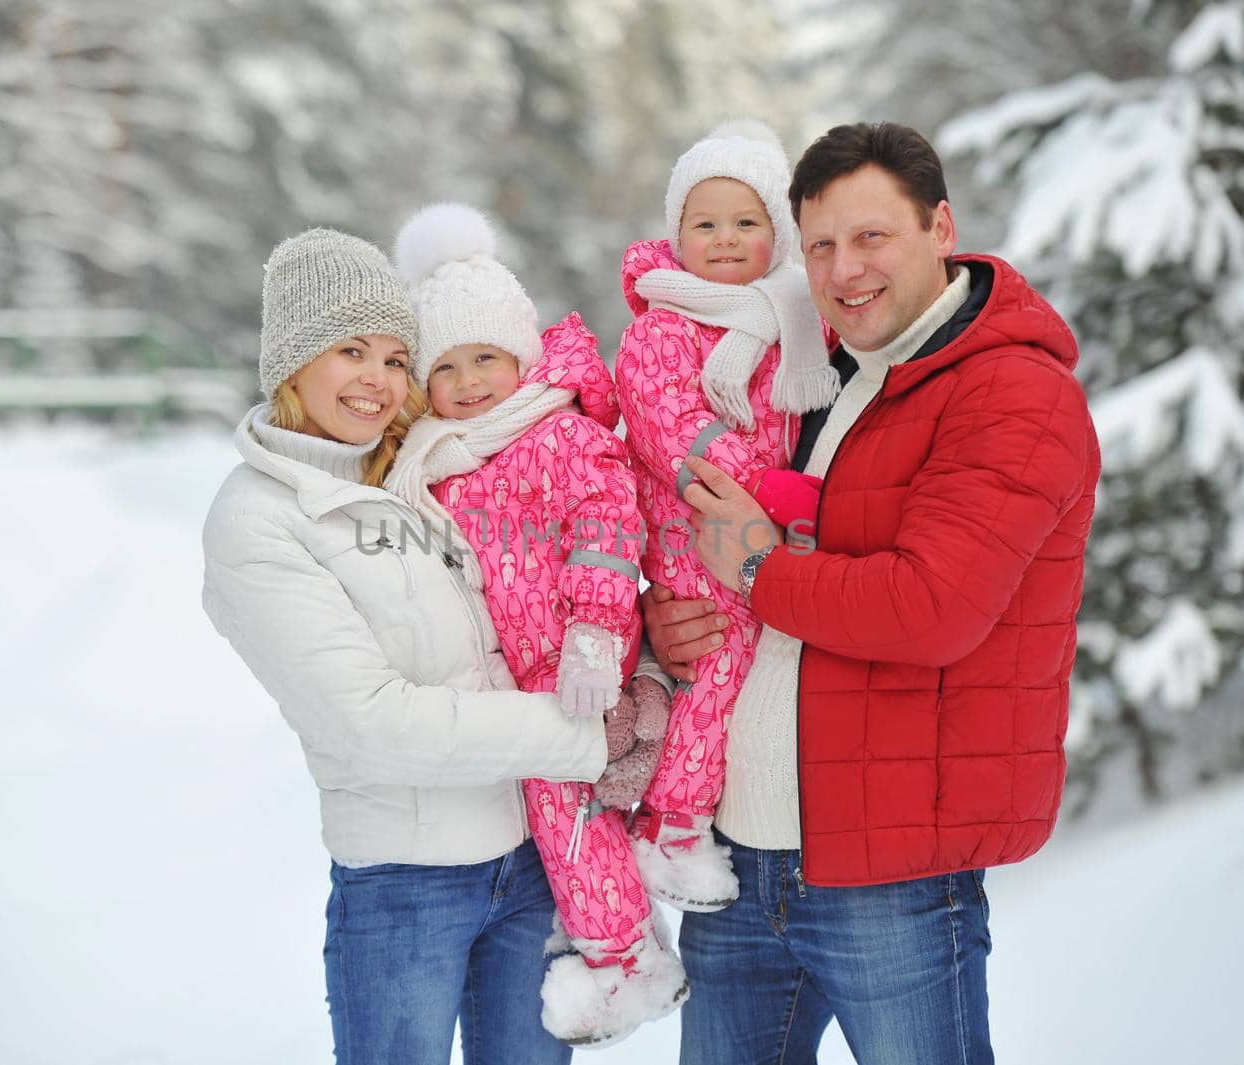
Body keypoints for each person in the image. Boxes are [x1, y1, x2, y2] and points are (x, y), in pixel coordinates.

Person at [648, 122, 1101, 1064]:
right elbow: (733, 532)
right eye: (818, 245)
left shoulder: (1013, 393)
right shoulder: (823, 375)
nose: (843, 270)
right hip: (740, 858)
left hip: (888, 881)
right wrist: (670, 618)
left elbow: (930, 606)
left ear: (941, 226)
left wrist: (753, 568)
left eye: (871, 237)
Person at [200, 226, 607, 1065]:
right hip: (405, 888)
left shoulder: (414, 474)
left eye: (395, 358)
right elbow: (374, 722)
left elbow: (532, 614)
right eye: (352, 350)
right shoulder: (259, 519)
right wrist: (588, 736)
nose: (379, 381)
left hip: (527, 865)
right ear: (293, 362)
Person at [382, 202, 687, 1048]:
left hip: (574, 662)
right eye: (449, 367)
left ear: (520, 354)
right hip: (521, 677)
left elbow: (609, 522)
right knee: (567, 814)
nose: (472, 381)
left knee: (565, 808)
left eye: (487, 357)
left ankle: (626, 955)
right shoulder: (444, 458)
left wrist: (594, 631)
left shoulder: (554, 432)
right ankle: (610, 920)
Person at [612, 121, 839, 914]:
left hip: (759, 535)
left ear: (776, 234)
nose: (725, 239)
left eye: (746, 222)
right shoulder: (658, 330)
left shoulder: (792, 321)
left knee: (745, 665)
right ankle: (670, 825)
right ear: (676, 234)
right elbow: (682, 439)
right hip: (691, 531)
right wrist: (777, 493)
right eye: (704, 223)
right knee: (719, 662)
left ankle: (684, 815)